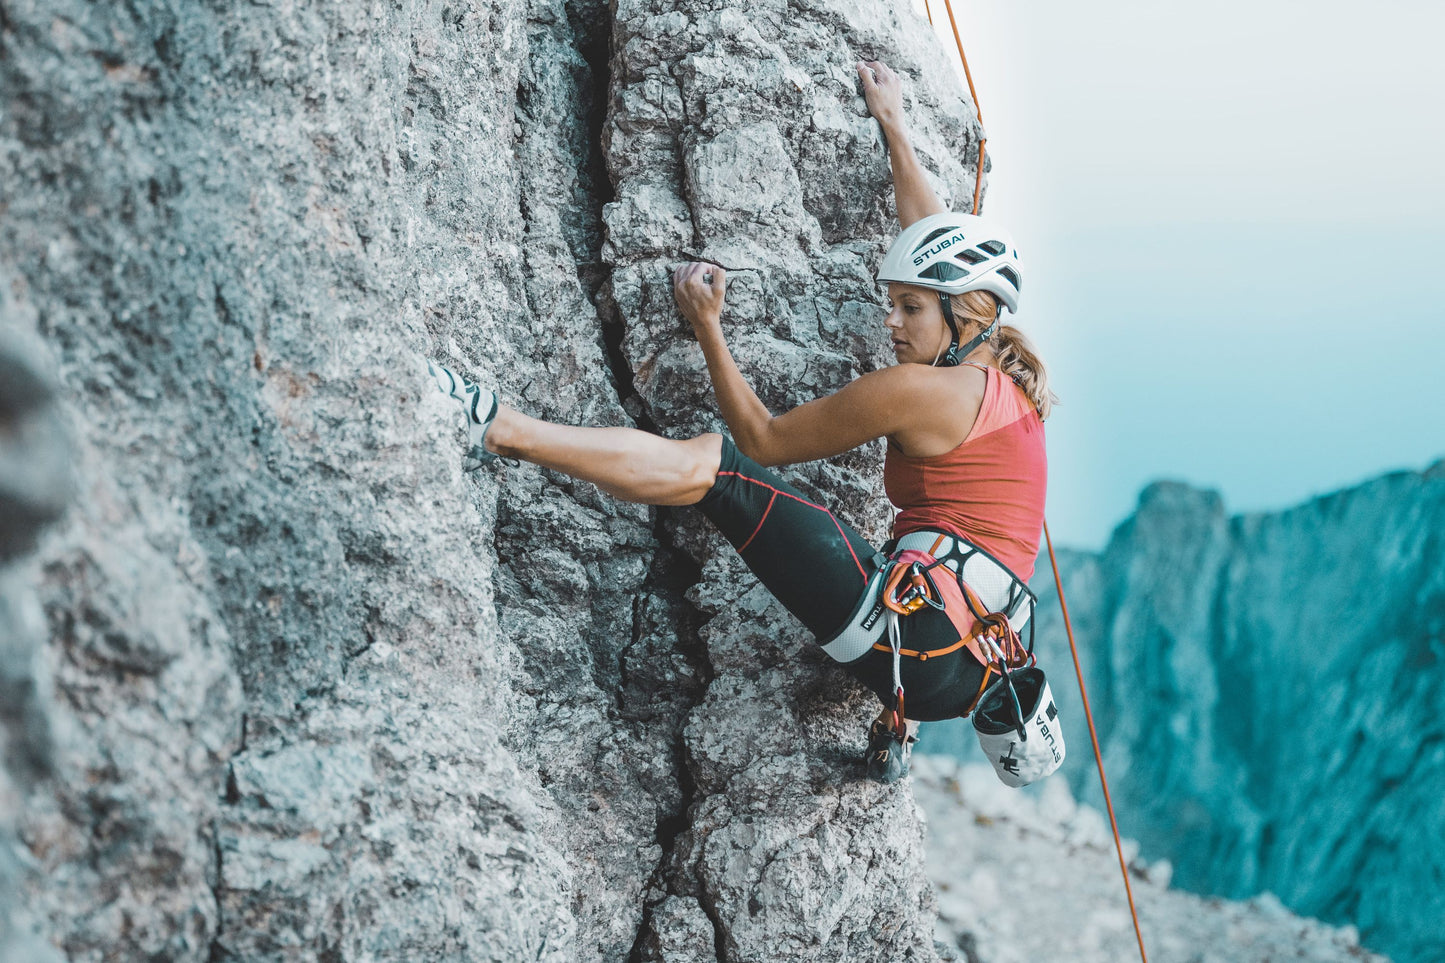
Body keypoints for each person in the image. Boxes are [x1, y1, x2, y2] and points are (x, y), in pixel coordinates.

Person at [429, 61, 1054, 783]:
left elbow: (764, 439)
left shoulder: (920, 390)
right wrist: (892, 129)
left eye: (908, 310)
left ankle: (490, 424)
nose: (890, 321)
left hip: (923, 639)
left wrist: (707, 328)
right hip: (966, 660)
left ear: (959, 317)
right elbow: (931, 242)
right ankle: (895, 723)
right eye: (896, 302)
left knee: (720, 468)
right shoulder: (1001, 378)